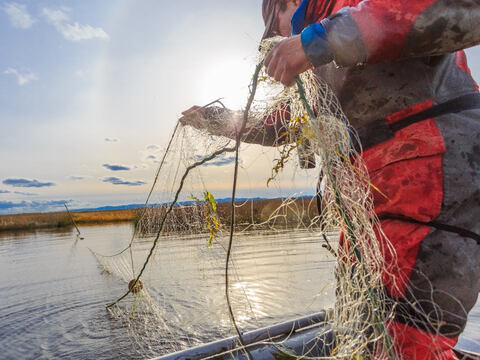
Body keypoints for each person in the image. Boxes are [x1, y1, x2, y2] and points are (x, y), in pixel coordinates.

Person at [181, 1, 480, 358]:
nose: (277, 37)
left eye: (273, 25)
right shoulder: (318, 64)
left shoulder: (342, 13)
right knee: (366, 327)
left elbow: (455, 10)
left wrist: (318, 40)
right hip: (372, 199)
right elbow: (284, 123)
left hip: (432, 173)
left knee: (405, 340)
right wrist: (214, 119)